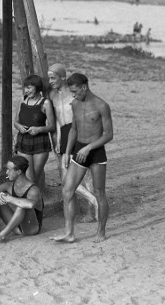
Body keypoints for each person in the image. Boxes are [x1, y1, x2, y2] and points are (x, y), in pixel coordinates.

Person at [51, 73, 113, 244]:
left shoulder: (101, 105)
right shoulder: (75, 104)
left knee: (99, 192)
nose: (73, 95)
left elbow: (109, 135)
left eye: (75, 91)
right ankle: (69, 233)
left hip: (96, 151)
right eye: (71, 92)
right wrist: (66, 152)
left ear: (84, 87)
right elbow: (73, 130)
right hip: (79, 151)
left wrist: (89, 147)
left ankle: (101, 231)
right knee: (67, 190)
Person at [47, 64, 98, 220]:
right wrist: (56, 139)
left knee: (86, 175)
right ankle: (93, 201)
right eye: (49, 78)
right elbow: (56, 118)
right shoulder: (52, 95)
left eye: (53, 78)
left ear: (63, 77)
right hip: (63, 135)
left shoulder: (74, 93)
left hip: (79, 133)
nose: (50, 81)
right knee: (65, 176)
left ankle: (91, 211)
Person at [0, 156, 44, 245]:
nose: (6, 172)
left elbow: (30, 205)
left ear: (18, 172)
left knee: (22, 206)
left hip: (31, 229)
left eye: (9, 169)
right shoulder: (8, 186)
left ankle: (1, 236)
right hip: (16, 227)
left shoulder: (33, 190)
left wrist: (8, 198)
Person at [13, 74, 55, 191]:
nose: (26, 90)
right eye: (25, 88)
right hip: (23, 141)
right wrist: (19, 127)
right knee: (28, 177)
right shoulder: (22, 100)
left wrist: (39, 129)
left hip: (40, 143)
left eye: (29, 88)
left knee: (34, 178)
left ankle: (36, 205)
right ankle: (31, 205)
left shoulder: (45, 103)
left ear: (37, 87)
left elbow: (52, 126)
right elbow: (15, 122)